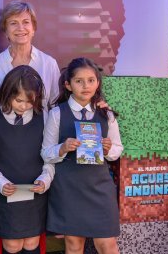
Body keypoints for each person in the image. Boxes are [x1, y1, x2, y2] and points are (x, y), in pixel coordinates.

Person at [41, 57, 123, 254]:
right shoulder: (57, 114)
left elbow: (117, 150)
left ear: (98, 82)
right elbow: (45, 152)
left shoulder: (106, 114)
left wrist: (108, 149)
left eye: (91, 80)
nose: (86, 86)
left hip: (99, 188)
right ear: (68, 85)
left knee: (107, 244)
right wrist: (63, 147)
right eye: (79, 81)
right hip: (69, 188)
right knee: (74, 245)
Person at [0, 65, 54, 254]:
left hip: (35, 194)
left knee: (32, 243)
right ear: (6, 94)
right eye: (19, 100)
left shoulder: (44, 118)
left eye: (29, 101)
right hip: (5, 194)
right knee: (12, 245)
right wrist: (1, 183)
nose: (24, 106)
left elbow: (50, 157)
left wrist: (45, 180)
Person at [0, 0, 60, 113]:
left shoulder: (49, 64)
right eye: (13, 23)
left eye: (26, 22)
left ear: (33, 29)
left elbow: (57, 108)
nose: (20, 28)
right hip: (3, 130)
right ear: (5, 31)